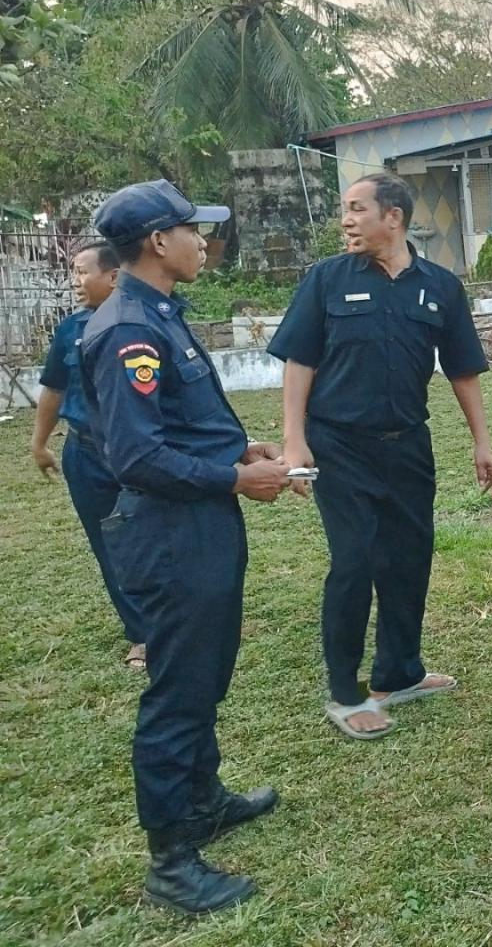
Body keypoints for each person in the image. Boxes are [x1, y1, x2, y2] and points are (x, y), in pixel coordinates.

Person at [81, 180, 289, 914]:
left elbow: (178, 425)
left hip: (196, 523)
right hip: (170, 532)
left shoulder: (159, 313)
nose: (203, 242)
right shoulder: (128, 331)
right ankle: (172, 859)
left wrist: (240, 449)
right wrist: (235, 477)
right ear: (157, 242)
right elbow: (137, 457)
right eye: (192, 230)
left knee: (204, 674)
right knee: (178, 690)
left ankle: (202, 799)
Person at [269, 172, 492, 740]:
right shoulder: (327, 279)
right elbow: (299, 361)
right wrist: (294, 440)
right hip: (339, 446)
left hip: (408, 446)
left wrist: (482, 441)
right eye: (345, 209)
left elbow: (462, 369)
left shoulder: (440, 286)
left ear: (392, 217)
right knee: (354, 561)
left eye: (356, 208)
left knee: (408, 559)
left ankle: (399, 673)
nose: (346, 220)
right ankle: (346, 693)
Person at [32, 240, 148, 667]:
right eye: (73, 272)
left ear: (113, 276)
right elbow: (54, 389)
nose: (75, 281)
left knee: (152, 538)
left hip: (139, 453)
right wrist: (39, 443)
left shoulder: (145, 324)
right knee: (109, 545)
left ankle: (177, 621)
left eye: (82, 271)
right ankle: (142, 635)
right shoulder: (71, 330)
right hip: (86, 455)